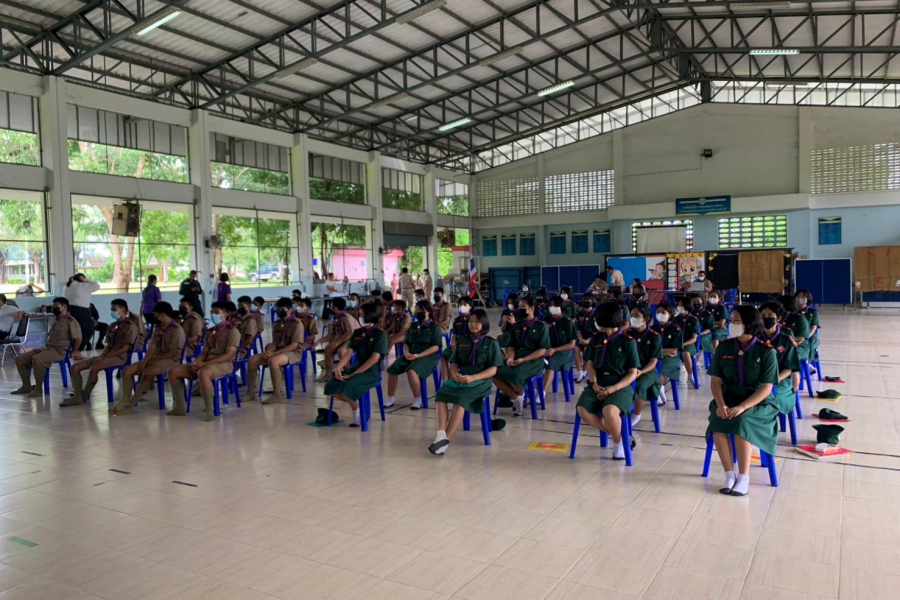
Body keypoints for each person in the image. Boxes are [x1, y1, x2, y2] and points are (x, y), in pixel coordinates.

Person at [707, 305, 779, 497]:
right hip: (729, 398)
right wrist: (721, 404)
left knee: (742, 422)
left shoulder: (766, 351)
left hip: (758, 403)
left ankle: (744, 477)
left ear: (749, 323)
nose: (732, 324)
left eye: (736, 321)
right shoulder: (724, 347)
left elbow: (766, 388)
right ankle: (729, 475)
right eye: (731, 320)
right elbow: (715, 381)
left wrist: (742, 407)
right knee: (719, 420)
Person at [430, 308, 503, 455]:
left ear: (484, 323)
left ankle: (445, 442)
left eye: (477, 322)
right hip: (462, 378)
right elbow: (454, 363)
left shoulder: (491, 343)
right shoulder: (463, 340)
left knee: (460, 400)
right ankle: (441, 434)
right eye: (471, 321)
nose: (473, 324)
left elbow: (493, 370)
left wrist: (473, 378)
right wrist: (455, 374)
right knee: (441, 395)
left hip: (481, 380)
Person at [575, 301, 641, 460]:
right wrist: (594, 383)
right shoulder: (596, 339)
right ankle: (621, 435)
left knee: (609, 411)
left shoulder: (628, 341)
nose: (595, 321)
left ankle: (618, 444)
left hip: (620, 386)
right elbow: (591, 365)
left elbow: (632, 373)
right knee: (582, 409)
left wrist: (613, 388)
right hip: (598, 384)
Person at [167, 302, 239, 421]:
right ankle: (179, 407)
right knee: (173, 371)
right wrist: (196, 363)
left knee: (203, 372)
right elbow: (204, 353)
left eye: (217, 312)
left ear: (225, 314)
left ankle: (209, 411)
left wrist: (204, 364)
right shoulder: (211, 332)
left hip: (224, 364)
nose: (213, 315)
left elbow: (228, 355)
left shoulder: (232, 331)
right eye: (212, 312)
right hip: (208, 362)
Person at [111, 302, 185, 415]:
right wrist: (144, 362)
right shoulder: (159, 328)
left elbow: (173, 352)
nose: (155, 317)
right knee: (127, 371)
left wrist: (152, 361)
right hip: (156, 358)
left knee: (148, 372)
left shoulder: (177, 329)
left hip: (171, 360)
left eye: (156, 315)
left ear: (163, 315)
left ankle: (131, 404)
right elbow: (152, 347)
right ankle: (124, 400)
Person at [63, 298, 139, 407]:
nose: (112, 311)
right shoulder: (112, 326)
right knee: (75, 368)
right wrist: (102, 356)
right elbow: (108, 345)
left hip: (120, 357)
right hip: (107, 356)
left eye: (114, 309)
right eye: (111, 309)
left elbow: (125, 348)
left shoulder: (130, 326)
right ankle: (77, 396)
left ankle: (84, 396)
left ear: (122, 310)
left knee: (95, 367)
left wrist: (105, 357)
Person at [323, 302, 388, 427]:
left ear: (370, 315)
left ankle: (357, 413)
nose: (360, 317)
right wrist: (339, 367)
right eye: (360, 314)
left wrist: (355, 373)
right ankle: (356, 405)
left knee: (348, 385)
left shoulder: (380, 334)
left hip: (371, 371)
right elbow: (349, 352)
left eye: (363, 315)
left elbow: (375, 358)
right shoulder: (358, 332)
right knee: (330, 385)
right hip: (356, 367)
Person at [493, 296, 550, 417]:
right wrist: (510, 358)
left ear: (531, 308)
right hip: (517, 358)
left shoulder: (541, 326)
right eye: (519, 307)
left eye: (523, 307)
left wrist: (524, 359)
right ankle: (518, 397)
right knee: (493, 371)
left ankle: (520, 395)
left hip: (534, 360)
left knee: (516, 375)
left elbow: (542, 350)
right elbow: (512, 346)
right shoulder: (517, 325)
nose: (520, 309)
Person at [14, 298, 82, 398]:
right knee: (20, 359)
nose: (54, 308)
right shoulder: (56, 319)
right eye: (53, 306)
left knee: (37, 359)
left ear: (64, 307)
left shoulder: (71, 321)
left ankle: (38, 389)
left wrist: (73, 351)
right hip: (47, 348)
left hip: (59, 351)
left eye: (56, 306)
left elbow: (78, 339)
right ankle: (26, 386)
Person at [386, 300, 442, 410]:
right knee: (392, 370)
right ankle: (390, 399)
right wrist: (406, 352)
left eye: (421, 310)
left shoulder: (435, 328)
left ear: (428, 312)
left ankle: (417, 399)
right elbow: (406, 343)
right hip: (411, 355)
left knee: (411, 371)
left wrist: (419, 356)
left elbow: (435, 347)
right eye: (417, 309)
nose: (418, 312)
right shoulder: (413, 326)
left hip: (427, 356)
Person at [246, 298, 303, 405]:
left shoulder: (296, 323)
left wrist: (274, 353)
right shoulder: (277, 324)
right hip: (278, 351)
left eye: (283, 309)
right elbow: (275, 343)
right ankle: (250, 392)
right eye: (278, 309)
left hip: (293, 352)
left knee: (273, 361)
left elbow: (294, 345)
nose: (280, 311)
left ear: (290, 310)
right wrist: (269, 351)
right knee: (252, 360)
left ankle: (277, 394)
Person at [759, 301, 800, 418]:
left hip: (780, 381)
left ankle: (768, 423)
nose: (766, 318)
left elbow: (789, 369)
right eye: (763, 316)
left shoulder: (786, 339)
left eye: (770, 316)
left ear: (778, 318)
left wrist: (772, 380)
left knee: (770, 397)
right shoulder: (755, 337)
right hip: (757, 379)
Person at [627, 304, 662, 427]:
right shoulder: (627, 334)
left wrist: (641, 372)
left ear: (645, 318)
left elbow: (653, 362)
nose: (633, 318)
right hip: (629, 369)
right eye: (631, 315)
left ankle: (636, 414)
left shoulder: (654, 336)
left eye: (636, 316)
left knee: (640, 386)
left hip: (647, 371)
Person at [315, 297, 360, 383]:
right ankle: (328, 375)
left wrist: (338, 342)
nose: (330, 308)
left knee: (341, 350)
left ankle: (347, 373)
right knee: (328, 348)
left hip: (354, 339)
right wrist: (319, 341)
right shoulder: (337, 318)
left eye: (331, 306)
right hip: (345, 339)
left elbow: (350, 333)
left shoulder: (346, 317)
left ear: (335, 307)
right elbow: (333, 334)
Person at [542, 296, 577, 394]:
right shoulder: (544, 321)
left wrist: (555, 350)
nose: (552, 307)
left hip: (564, 352)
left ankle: (542, 394)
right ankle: (526, 393)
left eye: (555, 305)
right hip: (547, 351)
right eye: (550, 305)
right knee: (533, 363)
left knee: (550, 364)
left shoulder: (567, 322)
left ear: (561, 307)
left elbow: (572, 345)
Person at [64, 273, 99, 351]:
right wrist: (85, 280)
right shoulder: (82, 286)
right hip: (81, 311)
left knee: (74, 330)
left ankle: (72, 349)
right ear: (81, 279)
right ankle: (77, 350)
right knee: (89, 330)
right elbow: (97, 286)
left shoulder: (67, 285)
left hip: (68, 310)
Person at [441, 296, 472, 380]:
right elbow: (454, 335)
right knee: (444, 356)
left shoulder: (473, 319)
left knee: (453, 359)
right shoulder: (457, 320)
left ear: (470, 306)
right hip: (458, 343)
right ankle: (445, 380)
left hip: (468, 345)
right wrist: (453, 344)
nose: (462, 306)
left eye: (465, 304)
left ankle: (452, 380)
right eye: (460, 304)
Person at [656, 302, 682, 397]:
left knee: (660, 368)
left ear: (670, 315)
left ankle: (658, 392)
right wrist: (664, 352)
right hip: (655, 357)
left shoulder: (676, 329)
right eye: (658, 312)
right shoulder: (652, 329)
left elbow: (673, 351)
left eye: (663, 312)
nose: (660, 314)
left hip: (671, 358)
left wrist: (656, 352)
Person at [674, 296, 700, 383]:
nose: (679, 307)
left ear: (687, 305)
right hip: (676, 344)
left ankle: (690, 375)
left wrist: (683, 344)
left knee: (685, 353)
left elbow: (694, 338)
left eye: (681, 305)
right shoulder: (675, 319)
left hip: (689, 344)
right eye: (678, 305)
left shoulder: (693, 320)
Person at [573, 293, 597, 384]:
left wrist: (588, 340)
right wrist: (581, 339)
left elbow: (599, 331)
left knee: (587, 349)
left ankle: (584, 371)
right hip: (581, 337)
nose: (585, 302)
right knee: (576, 348)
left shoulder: (597, 314)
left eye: (588, 300)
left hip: (593, 338)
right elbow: (578, 330)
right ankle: (579, 372)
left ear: (592, 301)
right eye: (584, 300)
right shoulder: (579, 314)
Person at [780, 294, 810, 364]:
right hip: (781, 345)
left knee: (786, 355)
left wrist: (785, 341)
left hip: (799, 346)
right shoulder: (779, 318)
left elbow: (800, 339)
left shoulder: (800, 319)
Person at [794, 289, 820, 364]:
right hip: (796, 335)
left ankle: (809, 363)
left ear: (807, 299)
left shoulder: (813, 312)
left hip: (810, 336)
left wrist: (805, 337)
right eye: (798, 297)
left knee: (811, 344)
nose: (800, 299)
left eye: (803, 297)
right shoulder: (793, 311)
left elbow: (813, 328)